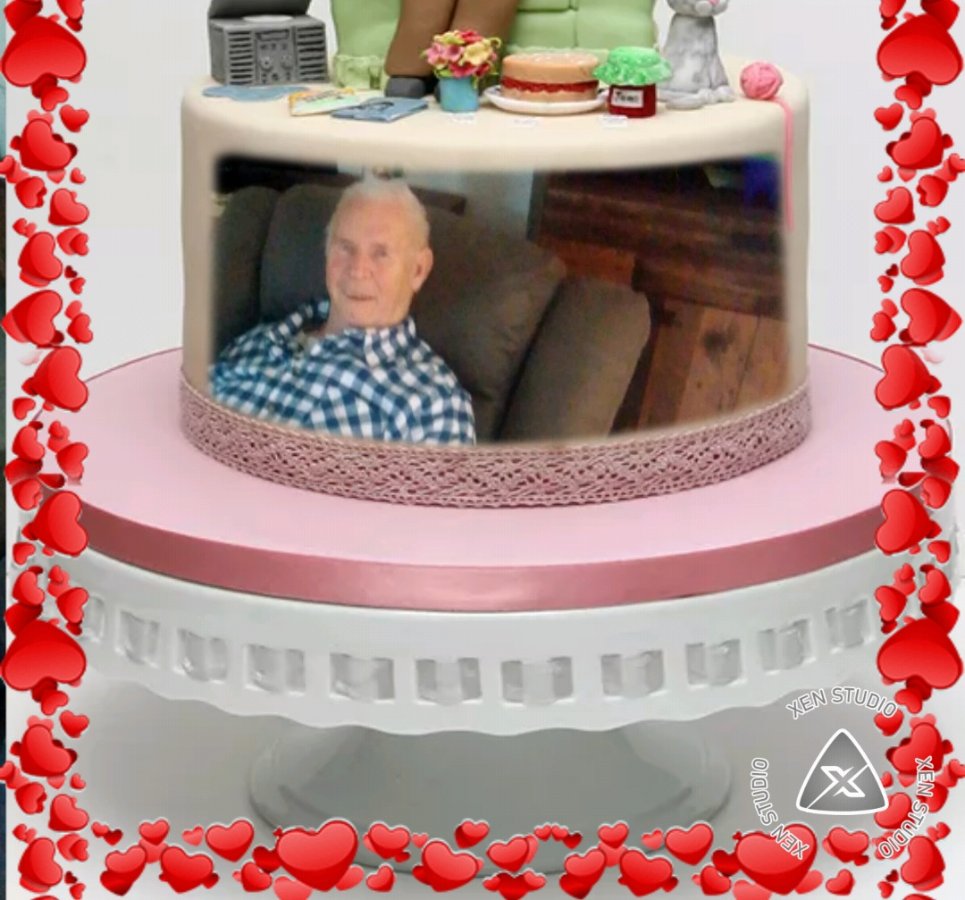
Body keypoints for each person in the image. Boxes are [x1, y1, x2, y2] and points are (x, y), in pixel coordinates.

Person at [210, 179, 476, 445]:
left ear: (418, 270)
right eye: (346, 247)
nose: (358, 270)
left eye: (381, 253)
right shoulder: (260, 339)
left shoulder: (434, 405)